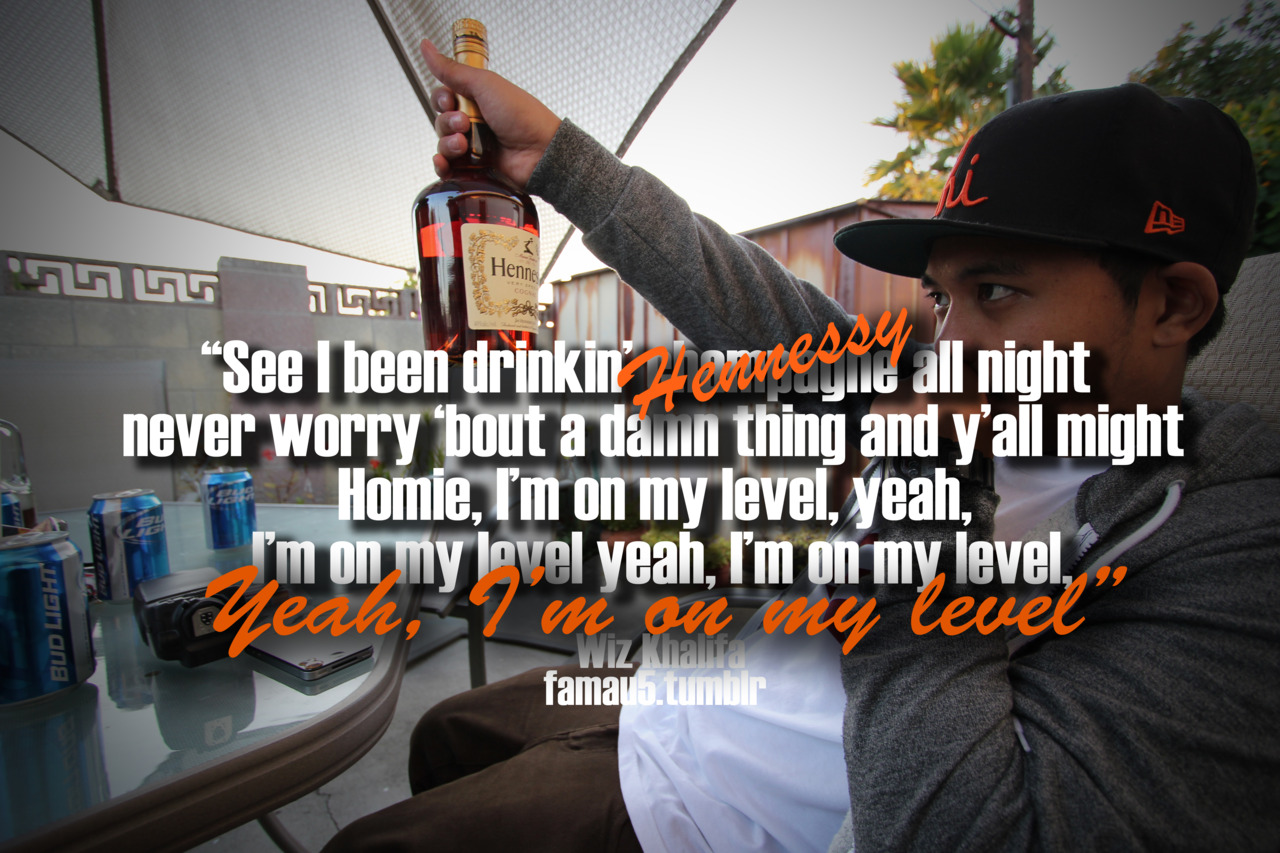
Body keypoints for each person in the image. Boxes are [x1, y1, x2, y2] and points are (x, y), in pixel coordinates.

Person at [323, 39, 1280, 853]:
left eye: (996, 291)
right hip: (684, 690)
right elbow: (749, 304)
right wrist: (557, 162)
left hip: (708, 815)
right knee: (444, 732)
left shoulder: (1232, 549)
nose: (948, 346)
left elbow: (969, 827)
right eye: (941, 297)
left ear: (1174, 304)